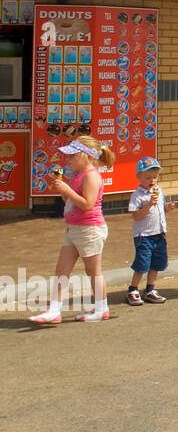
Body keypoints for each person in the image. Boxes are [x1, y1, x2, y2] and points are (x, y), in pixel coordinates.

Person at [29, 136, 117, 323]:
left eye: (72, 156)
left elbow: (87, 204)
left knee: (93, 271)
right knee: (62, 269)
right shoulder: (78, 176)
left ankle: (102, 308)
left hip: (89, 229)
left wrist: (67, 190)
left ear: (86, 156)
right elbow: (69, 202)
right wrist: (63, 189)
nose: (67, 160)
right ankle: (54, 311)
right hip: (74, 228)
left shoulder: (92, 176)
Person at [126, 157, 175, 305]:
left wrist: (168, 208)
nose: (152, 180)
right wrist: (148, 205)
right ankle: (133, 289)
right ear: (139, 177)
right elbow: (136, 216)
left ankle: (150, 289)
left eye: (154, 177)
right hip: (144, 236)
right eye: (148, 177)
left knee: (157, 263)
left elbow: (160, 211)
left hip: (159, 234)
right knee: (142, 264)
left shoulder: (158, 191)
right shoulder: (137, 196)